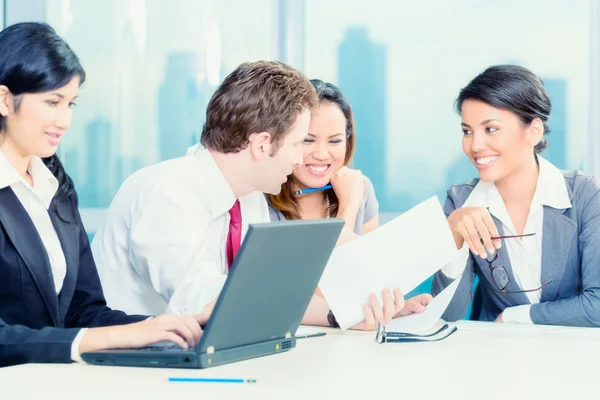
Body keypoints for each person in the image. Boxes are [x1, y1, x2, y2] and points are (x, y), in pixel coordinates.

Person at [92, 61, 408, 330]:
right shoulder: (166, 192)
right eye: (299, 142)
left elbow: (266, 294)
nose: (301, 159)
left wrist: (343, 316)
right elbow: (202, 301)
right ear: (261, 145)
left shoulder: (250, 199)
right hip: (127, 372)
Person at [0, 22, 207, 368]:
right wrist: (109, 338)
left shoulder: (55, 187)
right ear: (5, 99)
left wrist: (155, 328)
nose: (64, 120)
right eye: (53, 102)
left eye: (71, 104)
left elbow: (84, 310)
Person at [433, 65, 600, 326]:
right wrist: (453, 235)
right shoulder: (460, 200)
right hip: (497, 356)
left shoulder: (586, 195)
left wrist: (515, 317)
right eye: (467, 131)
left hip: (573, 355)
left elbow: (597, 306)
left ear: (534, 131)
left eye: (490, 129)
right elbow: (447, 314)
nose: (474, 146)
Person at [268, 79, 432, 312]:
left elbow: (367, 282)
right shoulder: (264, 199)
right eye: (308, 140)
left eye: (334, 141)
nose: (322, 154)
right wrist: (348, 207)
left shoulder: (360, 188)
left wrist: (394, 309)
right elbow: (311, 295)